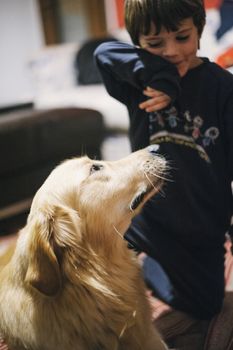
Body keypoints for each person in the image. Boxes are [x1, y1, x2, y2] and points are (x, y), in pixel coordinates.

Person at [94, 0, 233, 348]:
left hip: (201, 226)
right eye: (155, 44)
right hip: (143, 220)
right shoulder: (138, 84)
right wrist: (160, 77)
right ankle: (139, 265)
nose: (171, 52)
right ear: (139, 45)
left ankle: (152, 271)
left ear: (199, 31)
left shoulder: (223, 88)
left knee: (206, 305)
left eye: (182, 37)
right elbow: (104, 53)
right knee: (95, 284)